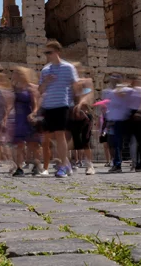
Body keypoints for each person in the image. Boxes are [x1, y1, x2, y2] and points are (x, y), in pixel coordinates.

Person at [35, 41, 80, 178]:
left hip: (62, 104)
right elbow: (40, 90)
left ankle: (62, 167)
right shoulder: (45, 70)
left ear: (57, 52)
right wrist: (46, 81)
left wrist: (77, 103)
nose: (47, 55)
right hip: (48, 106)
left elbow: (75, 86)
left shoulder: (68, 68)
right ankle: (67, 163)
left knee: (60, 135)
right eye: (46, 53)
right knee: (50, 137)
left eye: (49, 52)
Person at [9, 67, 42, 176]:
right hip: (18, 118)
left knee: (33, 144)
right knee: (19, 145)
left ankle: (37, 164)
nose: (16, 74)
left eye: (19, 73)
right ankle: (19, 167)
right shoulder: (15, 88)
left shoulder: (31, 88)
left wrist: (33, 113)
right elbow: (10, 105)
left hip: (28, 117)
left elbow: (36, 104)